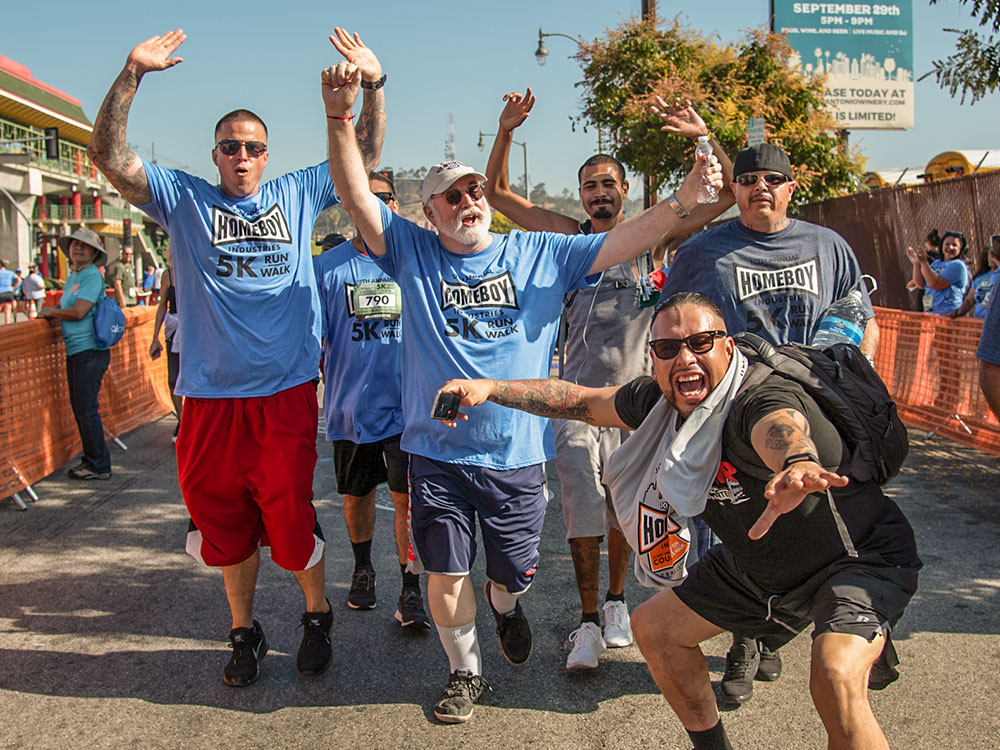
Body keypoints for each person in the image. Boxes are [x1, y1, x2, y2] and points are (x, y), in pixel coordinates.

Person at [320, 44, 722, 723]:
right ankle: (464, 673)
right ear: (431, 209)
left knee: (511, 571)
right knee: (446, 574)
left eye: (477, 188)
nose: (470, 199)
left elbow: (627, 240)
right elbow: (356, 195)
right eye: (453, 194)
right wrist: (339, 118)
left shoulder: (537, 251)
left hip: (516, 457)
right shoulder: (411, 252)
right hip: (437, 452)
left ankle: (506, 604)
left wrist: (685, 198)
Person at [437, 292, 921, 750]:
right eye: (668, 348)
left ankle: (863, 636)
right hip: (760, 566)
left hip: (853, 557)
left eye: (700, 343)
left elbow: (782, 427)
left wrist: (795, 462)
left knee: (834, 675)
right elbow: (579, 400)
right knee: (656, 629)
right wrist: (490, 388)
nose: (685, 358)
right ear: (654, 359)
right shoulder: (657, 404)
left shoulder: (756, 397)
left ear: (728, 347)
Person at [87, 28, 385, 687]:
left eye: (253, 147)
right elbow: (109, 158)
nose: (242, 157)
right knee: (226, 528)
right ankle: (243, 632)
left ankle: (315, 614)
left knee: (289, 519)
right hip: (209, 400)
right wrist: (132, 73)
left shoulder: (300, 192)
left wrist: (373, 87)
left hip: (281, 395)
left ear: (266, 154)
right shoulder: (184, 198)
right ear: (216, 154)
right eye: (231, 147)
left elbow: (361, 156)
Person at [482, 91, 733, 670]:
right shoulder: (568, 240)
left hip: (637, 405)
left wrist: (702, 133)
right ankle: (588, 622)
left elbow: (717, 198)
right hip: (575, 403)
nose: (599, 193)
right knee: (581, 508)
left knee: (624, 509)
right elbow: (498, 196)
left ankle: (618, 605)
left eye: (608, 184)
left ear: (624, 192)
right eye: (590, 185)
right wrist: (505, 130)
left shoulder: (652, 239)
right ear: (582, 195)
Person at [660, 141, 880, 705]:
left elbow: (862, 319)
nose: (761, 187)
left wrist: (860, 381)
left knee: (821, 517)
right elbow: (675, 326)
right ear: (734, 188)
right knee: (743, 528)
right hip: (738, 411)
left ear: (790, 186)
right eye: (749, 178)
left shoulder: (827, 246)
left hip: (817, 407)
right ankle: (745, 640)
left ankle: (805, 630)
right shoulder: (703, 253)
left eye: (773, 179)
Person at [314, 171, 430, 628]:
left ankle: (410, 586)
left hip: (408, 411)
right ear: (351, 206)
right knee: (357, 496)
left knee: (407, 500)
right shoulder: (328, 268)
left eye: (385, 198)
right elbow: (311, 341)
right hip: (351, 411)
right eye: (367, 197)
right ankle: (363, 569)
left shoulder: (417, 262)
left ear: (396, 207)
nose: (377, 205)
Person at [38, 228, 114, 480]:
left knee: (85, 409)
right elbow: (66, 306)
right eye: (75, 244)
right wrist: (56, 310)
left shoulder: (91, 275)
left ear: (94, 253)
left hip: (90, 351)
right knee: (82, 408)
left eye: (85, 245)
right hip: (79, 351)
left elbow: (79, 311)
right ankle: (94, 459)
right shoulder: (75, 275)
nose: (78, 248)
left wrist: (50, 313)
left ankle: (98, 464)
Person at [148, 261, 182, 442]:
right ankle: (182, 420)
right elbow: (162, 305)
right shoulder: (167, 274)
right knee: (172, 380)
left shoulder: (194, 265)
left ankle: (193, 422)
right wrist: (155, 338)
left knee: (194, 379)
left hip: (194, 331)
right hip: (173, 330)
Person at [906, 229, 970, 315]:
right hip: (931, 315)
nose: (950, 247)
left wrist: (924, 262)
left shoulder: (958, 265)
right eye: (947, 244)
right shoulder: (937, 263)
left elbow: (936, 284)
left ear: (961, 248)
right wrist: (916, 263)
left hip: (948, 316)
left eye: (954, 245)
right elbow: (920, 284)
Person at [951, 241, 999, 319]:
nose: (992, 258)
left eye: (995, 254)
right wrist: (958, 312)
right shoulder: (980, 277)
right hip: (980, 323)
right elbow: (969, 301)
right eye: (991, 254)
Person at [0, 259, 16, 324]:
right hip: (9, 292)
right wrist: (14, 287)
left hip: (1, 292)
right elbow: (19, 279)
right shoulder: (10, 272)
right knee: (8, 311)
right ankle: (7, 326)